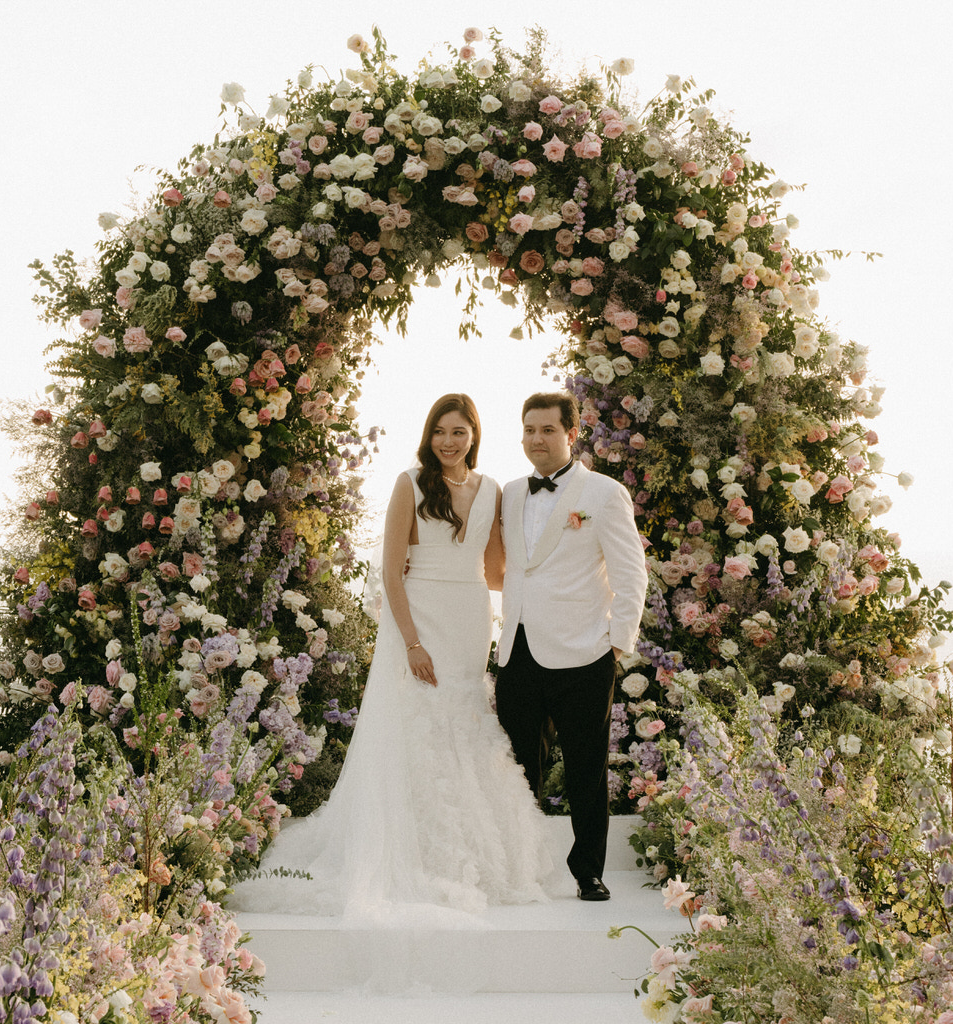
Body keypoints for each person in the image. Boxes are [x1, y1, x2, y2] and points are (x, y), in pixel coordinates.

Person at [233, 394, 556, 926]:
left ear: (474, 435)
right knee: (419, 722)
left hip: (471, 615)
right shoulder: (409, 483)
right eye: (439, 433)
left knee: (465, 718)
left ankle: (471, 852)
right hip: (420, 616)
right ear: (428, 437)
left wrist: (555, 571)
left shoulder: (494, 490)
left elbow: (498, 572)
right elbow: (390, 572)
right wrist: (411, 641)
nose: (448, 443)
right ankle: (411, 849)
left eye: (458, 432)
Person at [495, 392, 649, 901]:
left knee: (586, 767)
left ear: (571, 434)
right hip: (518, 650)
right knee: (517, 768)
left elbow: (631, 576)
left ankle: (588, 871)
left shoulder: (603, 494)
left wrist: (617, 646)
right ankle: (517, 867)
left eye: (547, 430)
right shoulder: (511, 493)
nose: (536, 439)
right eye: (529, 430)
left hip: (585, 654)